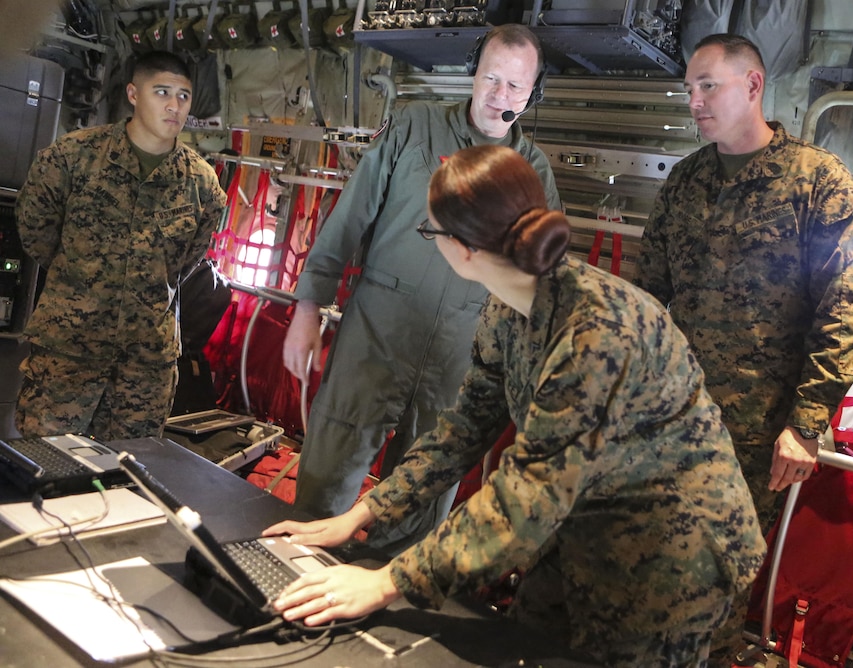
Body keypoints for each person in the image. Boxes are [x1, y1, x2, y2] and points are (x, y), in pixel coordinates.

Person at [264, 144, 766, 667]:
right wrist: (362, 514)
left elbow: (526, 498)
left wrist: (387, 582)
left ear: (463, 247)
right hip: (581, 531)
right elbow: (463, 429)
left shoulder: (599, 333)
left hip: (673, 558)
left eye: (429, 231)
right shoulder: (509, 305)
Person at [631, 33, 853, 660]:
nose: (695, 101)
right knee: (645, 561)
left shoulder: (819, 181)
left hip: (756, 430)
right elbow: (649, 298)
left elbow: (844, 310)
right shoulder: (684, 182)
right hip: (672, 416)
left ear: (754, 85)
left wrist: (808, 423)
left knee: (715, 579)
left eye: (708, 85)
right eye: (689, 89)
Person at [282, 24, 561, 549]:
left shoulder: (534, 172)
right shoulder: (415, 124)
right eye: (491, 78)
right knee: (326, 480)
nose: (500, 95)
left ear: (533, 93)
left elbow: (536, 281)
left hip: (459, 358)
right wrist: (306, 307)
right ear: (473, 73)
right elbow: (349, 218)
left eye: (515, 87)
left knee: (420, 501)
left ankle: (380, 606)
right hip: (376, 335)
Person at [15, 51, 226, 441]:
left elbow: (186, 262)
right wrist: (81, 281)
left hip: (143, 368)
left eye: (183, 96)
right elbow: (35, 231)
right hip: (69, 353)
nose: (173, 105)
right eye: (161, 92)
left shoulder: (202, 184)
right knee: (45, 468)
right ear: (133, 94)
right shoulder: (73, 157)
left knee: (127, 477)